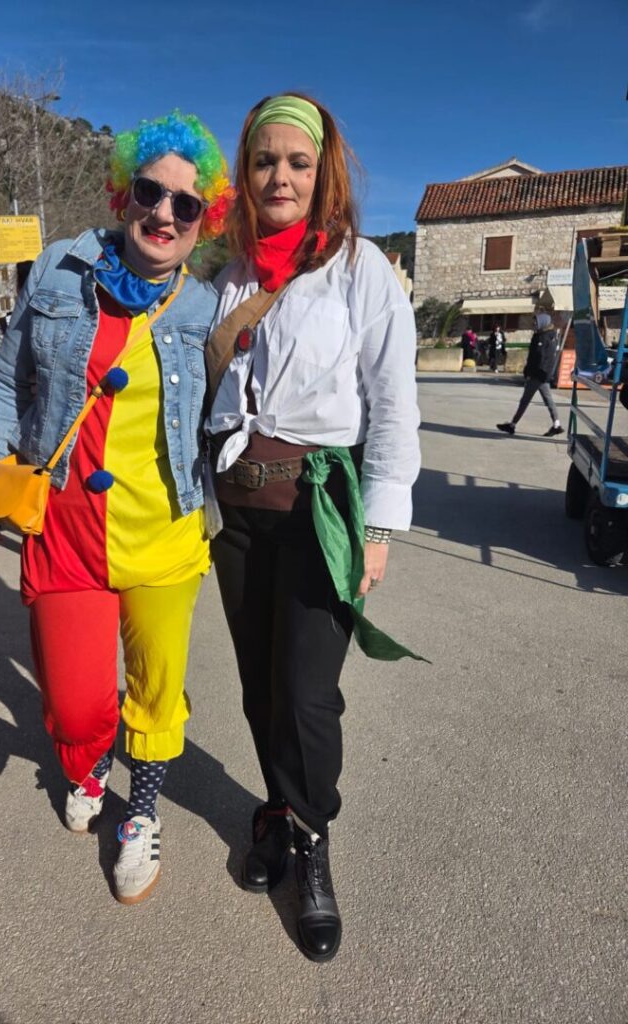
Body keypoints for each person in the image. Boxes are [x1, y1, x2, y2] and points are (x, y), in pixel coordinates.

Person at [0, 111, 233, 905]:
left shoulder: (206, 307)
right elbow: (9, 383)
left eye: (186, 204)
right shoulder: (57, 270)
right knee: (78, 705)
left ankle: (140, 812)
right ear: (124, 193)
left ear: (204, 220)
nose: (164, 213)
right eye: (151, 192)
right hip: (66, 531)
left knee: (155, 689)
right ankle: (85, 767)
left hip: (165, 537)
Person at [206, 93, 421, 962]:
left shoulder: (361, 269)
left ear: (323, 172)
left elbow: (395, 402)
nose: (280, 177)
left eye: (298, 162)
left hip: (317, 513)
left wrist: (381, 527)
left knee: (306, 695)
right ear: (245, 173)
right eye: (265, 161)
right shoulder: (227, 276)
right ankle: (276, 809)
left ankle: (310, 839)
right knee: (260, 688)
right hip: (236, 516)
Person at [497, 312, 563, 436]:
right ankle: (557, 424)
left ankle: (512, 425)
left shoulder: (544, 338)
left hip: (538, 374)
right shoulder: (546, 336)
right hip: (542, 374)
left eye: (536, 322)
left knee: (525, 400)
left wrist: (531, 372)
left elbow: (540, 357)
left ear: (543, 323)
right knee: (548, 399)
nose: (534, 324)